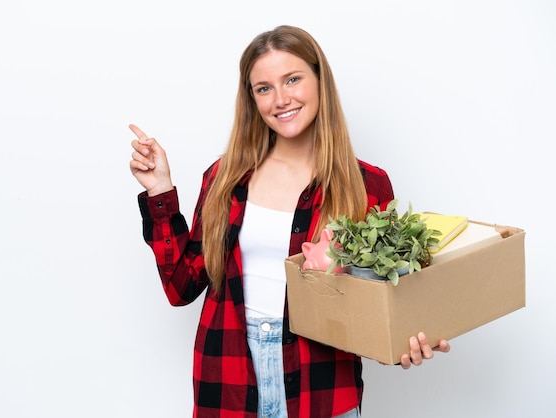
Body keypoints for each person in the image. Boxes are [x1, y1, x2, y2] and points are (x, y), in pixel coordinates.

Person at [129, 25, 450, 418]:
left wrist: (406, 340)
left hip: (322, 387)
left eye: (292, 79)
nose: (280, 99)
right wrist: (160, 191)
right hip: (228, 382)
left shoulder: (367, 185)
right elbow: (181, 288)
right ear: (252, 99)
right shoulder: (225, 179)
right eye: (263, 88)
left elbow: (379, 302)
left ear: (319, 80)